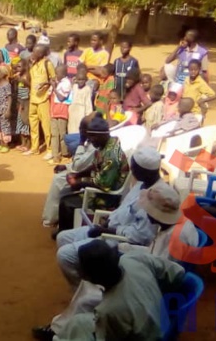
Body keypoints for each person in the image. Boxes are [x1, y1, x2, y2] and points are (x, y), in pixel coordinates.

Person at [55, 172, 187, 289]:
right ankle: (87, 288)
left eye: (149, 210)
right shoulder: (166, 228)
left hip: (145, 279)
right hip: (132, 250)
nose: (146, 213)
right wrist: (122, 247)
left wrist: (121, 253)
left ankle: (93, 294)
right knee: (66, 240)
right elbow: (152, 253)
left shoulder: (173, 237)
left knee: (70, 255)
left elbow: (161, 268)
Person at [41, 240, 186, 341]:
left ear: (88, 277)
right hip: (162, 322)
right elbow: (178, 272)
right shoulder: (134, 259)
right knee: (79, 321)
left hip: (148, 336)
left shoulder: (109, 309)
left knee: (77, 328)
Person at [56, 113, 130, 231]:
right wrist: (77, 175)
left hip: (106, 196)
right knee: (66, 192)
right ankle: (63, 228)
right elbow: (94, 165)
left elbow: (103, 184)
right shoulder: (105, 145)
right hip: (100, 185)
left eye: (92, 137)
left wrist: (79, 183)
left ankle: (65, 232)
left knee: (67, 203)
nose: (89, 140)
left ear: (102, 135)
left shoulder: (112, 156)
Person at [26, 44, 55, 157]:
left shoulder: (47, 64)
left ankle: (50, 149)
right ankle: (34, 147)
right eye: (33, 51)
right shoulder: (33, 64)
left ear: (41, 54)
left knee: (46, 126)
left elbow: (53, 80)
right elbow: (30, 79)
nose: (33, 54)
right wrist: (29, 65)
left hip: (43, 99)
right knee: (33, 125)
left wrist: (45, 85)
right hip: (33, 98)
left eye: (36, 52)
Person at [49, 65, 72, 163]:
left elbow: (61, 97)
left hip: (62, 112)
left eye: (57, 73)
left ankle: (64, 153)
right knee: (54, 134)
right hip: (54, 111)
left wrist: (54, 87)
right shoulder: (58, 82)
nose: (55, 75)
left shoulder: (66, 83)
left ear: (63, 74)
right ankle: (55, 155)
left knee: (62, 134)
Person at [0, 65, 14, 153]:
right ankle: (0, 143)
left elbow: (9, 98)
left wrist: (8, 109)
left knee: (5, 125)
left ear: (3, 74)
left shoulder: (7, 84)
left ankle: (6, 145)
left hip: (4, 107)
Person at [67, 67, 93, 136]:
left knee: (80, 129)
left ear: (86, 80)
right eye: (79, 79)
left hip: (81, 112)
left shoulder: (87, 89)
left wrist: (88, 115)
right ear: (76, 80)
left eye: (82, 80)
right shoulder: (74, 87)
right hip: (72, 111)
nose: (81, 81)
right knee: (71, 128)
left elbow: (88, 103)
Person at [13, 57, 31, 152]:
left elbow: (30, 88)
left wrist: (24, 81)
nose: (18, 69)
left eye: (19, 67)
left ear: (24, 67)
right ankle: (22, 143)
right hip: (20, 101)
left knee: (26, 123)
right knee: (20, 123)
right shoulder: (19, 77)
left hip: (26, 102)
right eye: (17, 67)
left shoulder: (26, 76)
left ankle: (28, 144)